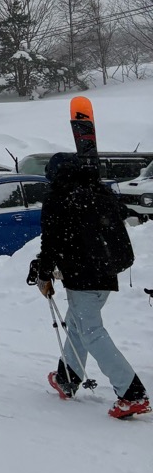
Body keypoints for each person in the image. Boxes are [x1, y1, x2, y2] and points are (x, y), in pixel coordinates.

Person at [30, 153, 148, 419]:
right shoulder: (98, 190)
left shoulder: (59, 197)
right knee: (77, 323)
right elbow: (120, 215)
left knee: (90, 330)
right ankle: (67, 378)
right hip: (107, 270)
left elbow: (51, 240)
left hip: (82, 274)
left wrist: (44, 274)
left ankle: (132, 393)